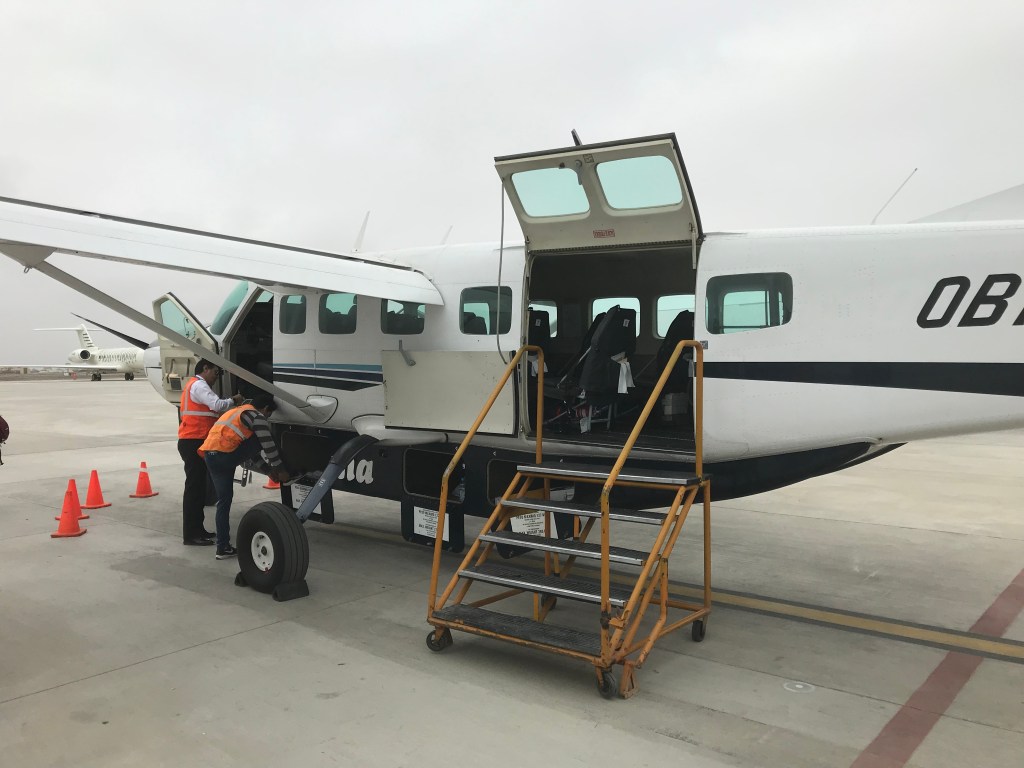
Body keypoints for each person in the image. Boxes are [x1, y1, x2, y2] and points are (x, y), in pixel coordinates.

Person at [199, 393, 290, 559]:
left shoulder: (236, 412)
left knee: (223, 502)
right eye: (269, 414)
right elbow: (267, 445)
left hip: (210, 456)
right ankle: (222, 546)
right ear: (265, 408)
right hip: (225, 456)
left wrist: (268, 471)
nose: (267, 418)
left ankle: (222, 548)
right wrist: (280, 470)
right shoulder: (256, 416)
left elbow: (249, 452)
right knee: (265, 437)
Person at [177, 359, 242, 546]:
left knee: (199, 489)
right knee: (194, 489)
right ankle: (191, 534)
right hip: (193, 441)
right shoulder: (199, 385)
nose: (216, 377)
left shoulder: (196, 386)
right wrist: (234, 400)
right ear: (205, 369)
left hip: (196, 441)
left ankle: (198, 529)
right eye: (215, 372)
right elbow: (217, 405)